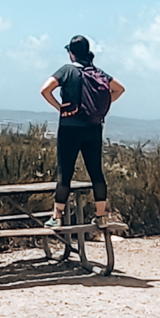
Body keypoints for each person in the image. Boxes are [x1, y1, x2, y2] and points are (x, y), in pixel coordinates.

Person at [39, 35, 125, 228]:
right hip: (94, 127)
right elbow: (119, 89)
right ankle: (101, 216)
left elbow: (45, 90)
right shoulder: (98, 73)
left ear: (71, 53)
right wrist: (101, 105)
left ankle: (57, 217)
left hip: (70, 127)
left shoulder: (67, 71)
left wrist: (59, 107)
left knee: (65, 172)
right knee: (96, 171)